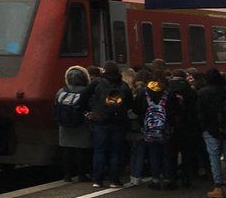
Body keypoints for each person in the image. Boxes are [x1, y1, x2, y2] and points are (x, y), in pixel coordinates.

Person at [87, 60, 131, 189]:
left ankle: (97, 180)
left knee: (99, 151)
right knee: (116, 151)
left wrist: (90, 111)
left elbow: (84, 97)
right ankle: (114, 180)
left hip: (100, 122)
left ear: (104, 71)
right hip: (118, 123)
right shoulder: (123, 85)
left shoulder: (97, 83)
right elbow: (130, 103)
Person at [54, 65, 92, 182]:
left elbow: (55, 106)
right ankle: (81, 175)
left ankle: (67, 175)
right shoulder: (86, 92)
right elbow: (90, 106)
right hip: (82, 126)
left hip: (64, 127)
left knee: (67, 152)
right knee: (81, 151)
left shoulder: (61, 91)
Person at [165, 69, 200, 187]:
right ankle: (187, 178)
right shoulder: (191, 92)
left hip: (172, 128)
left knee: (171, 155)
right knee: (187, 154)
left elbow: (166, 111)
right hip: (188, 127)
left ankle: (171, 179)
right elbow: (195, 110)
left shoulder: (168, 93)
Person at [138, 75, 174, 190]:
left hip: (149, 129)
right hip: (165, 128)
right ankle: (168, 180)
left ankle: (155, 180)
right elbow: (175, 110)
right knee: (167, 154)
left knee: (153, 154)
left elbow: (137, 109)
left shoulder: (145, 93)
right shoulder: (168, 93)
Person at [198, 68, 226, 198]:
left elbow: (201, 113)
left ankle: (219, 186)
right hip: (224, 127)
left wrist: (203, 127)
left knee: (214, 157)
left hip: (210, 128)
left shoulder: (203, 92)